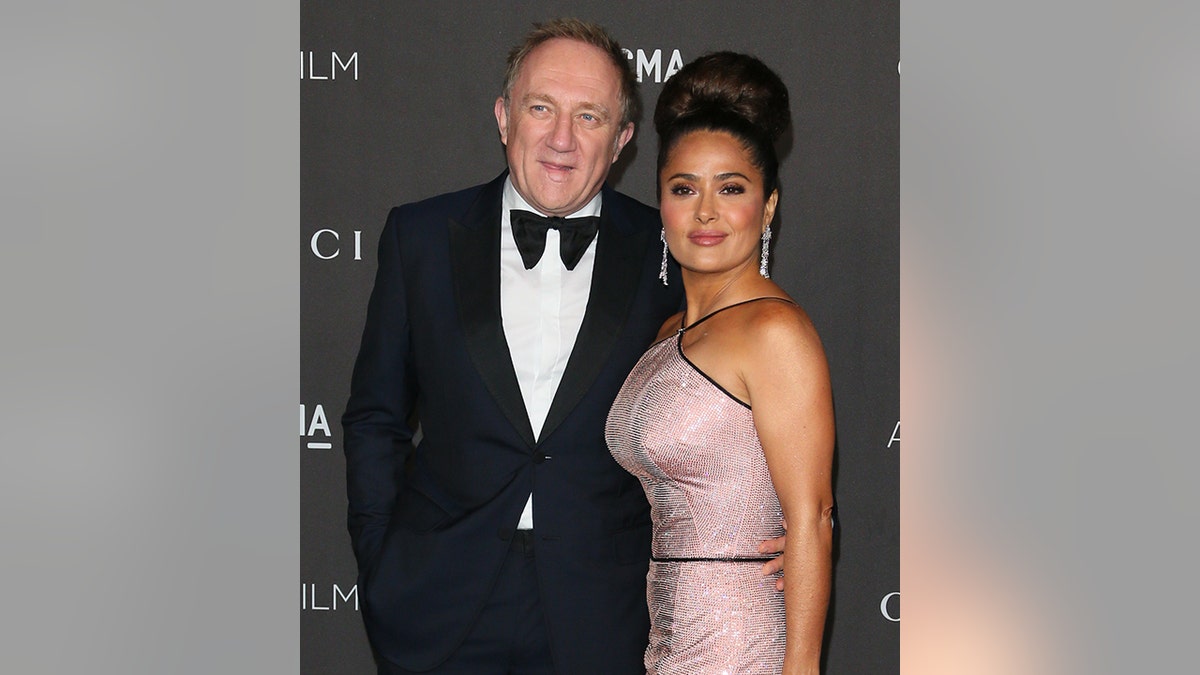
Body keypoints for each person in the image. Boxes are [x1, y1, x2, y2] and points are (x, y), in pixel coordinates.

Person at [342, 20, 786, 675]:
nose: (560, 139)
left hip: (604, 612)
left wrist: (804, 527)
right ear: (503, 116)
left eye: (589, 116)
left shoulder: (673, 251)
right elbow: (375, 416)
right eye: (541, 107)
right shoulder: (421, 236)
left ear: (623, 141)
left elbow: (751, 386)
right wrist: (380, 555)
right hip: (439, 601)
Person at [606, 52, 836, 674]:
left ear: (766, 208)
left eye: (731, 188)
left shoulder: (774, 331)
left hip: (741, 639)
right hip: (669, 634)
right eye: (685, 188)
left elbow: (811, 517)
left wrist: (802, 668)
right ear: (661, 205)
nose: (706, 211)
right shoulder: (668, 331)